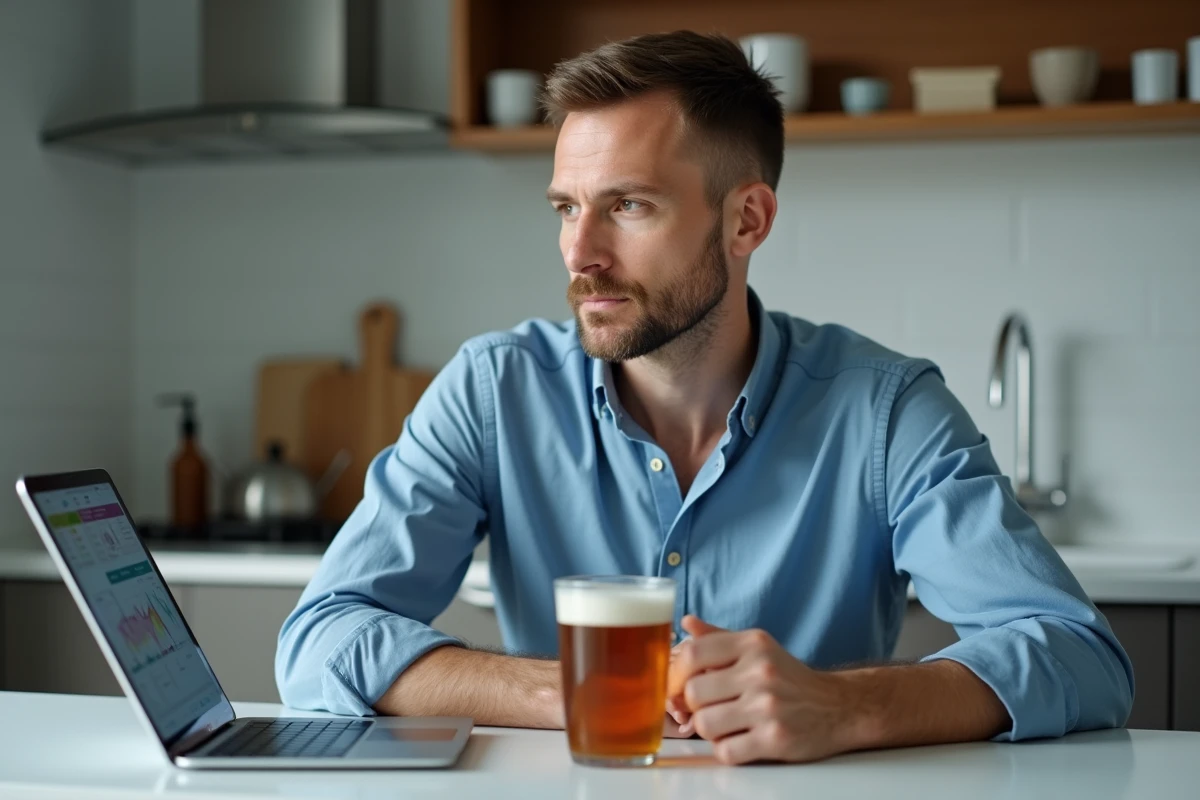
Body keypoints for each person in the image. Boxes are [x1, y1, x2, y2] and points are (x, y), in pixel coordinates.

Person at [276, 31, 1133, 764]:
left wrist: (846, 707)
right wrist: (585, 688)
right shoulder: (493, 390)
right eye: (567, 208)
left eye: (628, 205)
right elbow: (321, 639)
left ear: (746, 221)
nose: (580, 253)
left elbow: (1080, 656)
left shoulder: (883, 412)